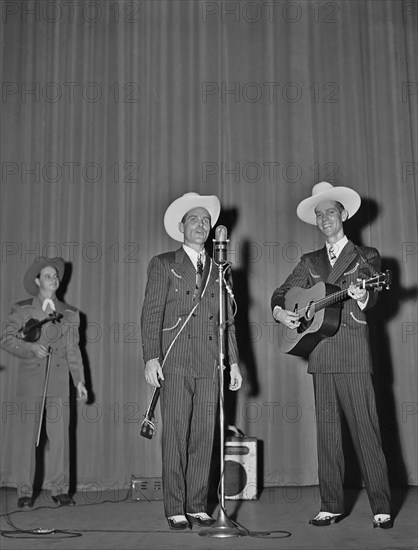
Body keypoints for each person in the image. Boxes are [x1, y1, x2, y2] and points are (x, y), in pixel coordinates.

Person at [271, 182, 392, 529]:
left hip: (353, 352)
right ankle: (330, 504)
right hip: (320, 354)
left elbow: (375, 296)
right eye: (319, 214)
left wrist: (363, 295)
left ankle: (381, 506)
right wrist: (282, 313)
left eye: (331, 212)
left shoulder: (365, 255)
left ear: (344, 214)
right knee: (328, 435)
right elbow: (281, 293)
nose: (325, 218)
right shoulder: (309, 261)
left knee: (366, 431)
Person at [141, 192, 243, 531]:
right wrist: (150, 357)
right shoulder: (163, 263)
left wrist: (235, 363)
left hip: (210, 362)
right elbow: (152, 313)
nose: (201, 225)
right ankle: (175, 506)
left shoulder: (221, 269)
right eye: (194, 220)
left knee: (204, 434)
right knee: (175, 434)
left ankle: (197, 504)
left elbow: (226, 318)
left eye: (205, 220)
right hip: (176, 359)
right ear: (181, 226)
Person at [0, 257, 88, 509]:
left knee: (60, 438)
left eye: (55, 276)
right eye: (48, 275)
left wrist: (79, 381)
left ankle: (60, 490)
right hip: (31, 384)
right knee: (26, 438)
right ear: (38, 281)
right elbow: (6, 338)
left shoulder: (70, 314)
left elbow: (73, 349)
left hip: (59, 384)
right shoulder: (22, 308)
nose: (53, 279)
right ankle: (24, 492)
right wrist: (30, 348)